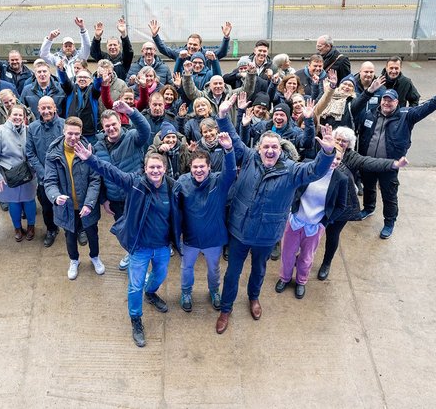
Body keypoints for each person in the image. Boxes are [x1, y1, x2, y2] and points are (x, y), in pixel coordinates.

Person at [213, 94, 336, 335]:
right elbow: (234, 140)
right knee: (232, 273)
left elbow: (314, 171)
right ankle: (226, 308)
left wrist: (328, 154)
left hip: (267, 235)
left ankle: (253, 298)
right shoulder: (248, 157)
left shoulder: (292, 170)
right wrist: (222, 116)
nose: (270, 151)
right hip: (240, 231)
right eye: (265, 146)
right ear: (259, 148)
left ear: (281, 150)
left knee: (259, 270)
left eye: (274, 147)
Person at [73, 143, 180, 348]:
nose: (155, 171)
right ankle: (136, 319)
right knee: (134, 286)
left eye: (159, 167)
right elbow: (111, 172)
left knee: (160, 275)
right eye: (151, 168)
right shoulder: (135, 183)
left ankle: (151, 293)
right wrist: (89, 158)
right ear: (145, 168)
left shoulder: (173, 187)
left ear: (165, 169)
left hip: (162, 246)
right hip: (140, 247)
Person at [351, 80, 436, 239]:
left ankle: (389, 222)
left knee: (389, 194)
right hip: (368, 162)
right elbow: (354, 111)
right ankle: (369, 208)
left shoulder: (406, 116)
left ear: (397, 102)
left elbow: (424, 109)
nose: (386, 103)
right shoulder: (370, 114)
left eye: (390, 101)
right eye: (384, 100)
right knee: (368, 187)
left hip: (389, 165)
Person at [315, 126, 409, 280]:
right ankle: (305, 257)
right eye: (338, 139)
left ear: (349, 144)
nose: (340, 142)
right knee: (312, 232)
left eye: (344, 141)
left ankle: (326, 263)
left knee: (332, 235)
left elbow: (370, 162)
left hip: (342, 203)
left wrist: (394, 164)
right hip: (321, 200)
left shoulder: (352, 157)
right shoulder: (325, 150)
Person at [275, 137, 349, 299]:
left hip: (314, 226)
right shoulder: (309, 168)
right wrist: (289, 210)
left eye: (338, 158)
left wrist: (324, 222)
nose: (335, 161)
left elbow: (341, 206)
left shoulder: (342, 179)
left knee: (307, 257)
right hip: (295, 220)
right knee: (287, 253)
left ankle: (301, 281)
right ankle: (285, 278)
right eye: (333, 156)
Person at [173, 134, 236, 312]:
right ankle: (186, 292)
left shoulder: (219, 182)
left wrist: (229, 150)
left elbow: (231, 172)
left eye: (202, 166)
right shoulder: (182, 182)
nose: (198, 170)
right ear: (190, 168)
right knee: (186, 267)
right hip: (190, 239)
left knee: (214, 269)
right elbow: (173, 208)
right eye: (195, 167)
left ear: (209, 167)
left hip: (214, 239)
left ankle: (214, 291)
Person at [44, 117, 104, 279]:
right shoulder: (53, 153)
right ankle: (74, 260)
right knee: (70, 236)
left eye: (77, 134)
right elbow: (49, 181)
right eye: (70, 133)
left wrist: (90, 204)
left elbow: (95, 179)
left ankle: (95, 257)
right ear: (63, 132)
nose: (73, 137)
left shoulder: (88, 150)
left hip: (86, 205)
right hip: (66, 206)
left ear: (81, 133)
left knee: (93, 234)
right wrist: (55, 197)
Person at [94, 101, 151, 270]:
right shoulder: (98, 147)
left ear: (120, 122)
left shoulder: (133, 137)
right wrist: (104, 199)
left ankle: (142, 261)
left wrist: (131, 111)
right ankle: (131, 253)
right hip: (115, 199)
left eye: (114, 124)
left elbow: (146, 130)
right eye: (107, 126)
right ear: (103, 128)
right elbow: (99, 175)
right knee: (125, 231)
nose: (111, 128)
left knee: (142, 227)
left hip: (135, 195)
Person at [0, 105, 38, 242]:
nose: (18, 117)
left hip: (28, 173)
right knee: (13, 202)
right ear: (9, 116)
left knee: (29, 200)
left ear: (24, 118)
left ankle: (31, 226)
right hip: (9, 175)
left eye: (20, 115)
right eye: (15, 114)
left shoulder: (29, 130)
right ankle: (17, 228)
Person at [26, 96, 65, 247]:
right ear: (38, 109)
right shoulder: (33, 127)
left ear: (55, 108)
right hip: (44, 177)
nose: (46, 111)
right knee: (47, 207)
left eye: (49, 107)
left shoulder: (64, 125)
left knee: (69, 203)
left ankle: (76, 228)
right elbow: (30, 153)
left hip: (65, 175)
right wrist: (44, 172)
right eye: (43, 108)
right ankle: (51, 229)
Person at [148, 19, 232, 71]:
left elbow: (222, 52)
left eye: (195, 45)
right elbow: (164, 49)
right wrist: (155, 36)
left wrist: (226, 37)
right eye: (190, 44)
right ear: (187, 43)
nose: (191, 47)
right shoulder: (180, 53)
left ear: (200, 46)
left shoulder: (207, 55)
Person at [57, 64, 102, 142]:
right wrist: (61, 71)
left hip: (89, 132)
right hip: (72, 131)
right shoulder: (71, 89)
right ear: (76, 79)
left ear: (90, 80)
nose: (82, 79)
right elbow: (65, 81)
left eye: (85, 77)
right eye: (79, 77)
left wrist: (99, 77)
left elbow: (97, 85)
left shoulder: (93, 91)